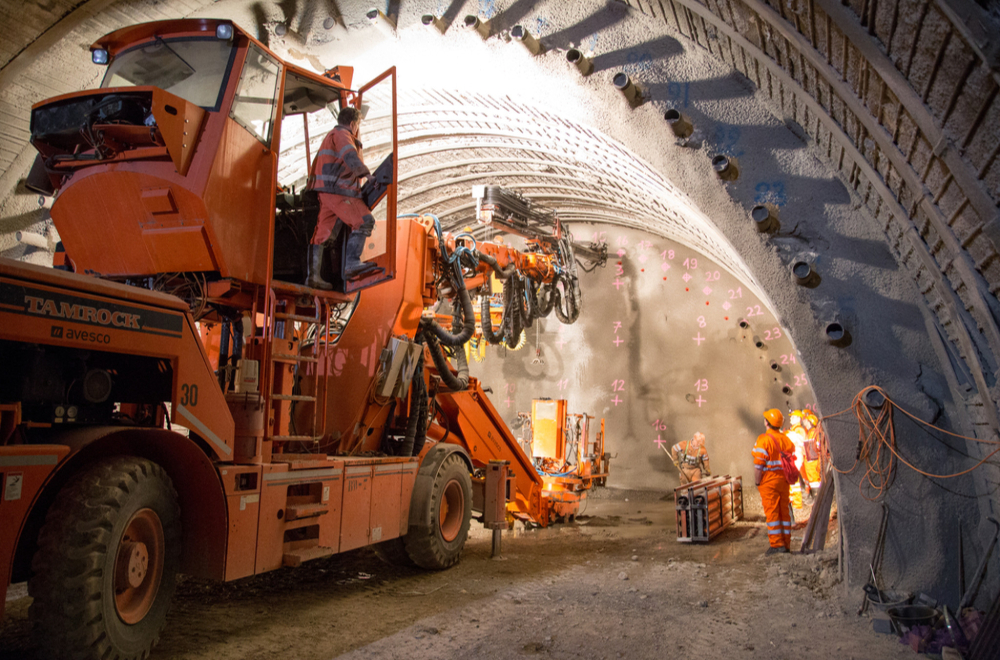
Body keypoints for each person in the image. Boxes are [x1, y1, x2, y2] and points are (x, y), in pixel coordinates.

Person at [304, 106, 379, 290]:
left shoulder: (330, 136)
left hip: (326, 192)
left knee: (322, 234)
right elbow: (350, 155)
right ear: (353, 124)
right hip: (339, 191)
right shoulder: (343, 135)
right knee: (365, 221)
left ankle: (313, 277)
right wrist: (366, 175)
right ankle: (352, 263)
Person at [753, 409, 795, 554]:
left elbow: (758, 465)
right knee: (784, 512)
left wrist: (757, 482)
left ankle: (777, 545)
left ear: (767, 423)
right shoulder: (786, 439)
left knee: (772, 513)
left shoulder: (763, 440)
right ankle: (786, 544)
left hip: (769, 482)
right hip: (784, 481)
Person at [784, 410, 806, 509]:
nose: (790, 419)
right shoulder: (794, 429)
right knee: (792, 482)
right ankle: (794, 502)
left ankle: (797, 504)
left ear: (798, 418)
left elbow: (796, 440)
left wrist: (786, 434)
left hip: (797, 457)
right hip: (794, 457)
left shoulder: (799, 430)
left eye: (792, 417)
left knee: (795, 482)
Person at [801, 412, 822, 497]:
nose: (804, 421)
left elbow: (811, 454)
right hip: (813, 466)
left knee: (816, 488)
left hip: (813, 467)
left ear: (810, 422)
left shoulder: (812, 433)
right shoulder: (812, 432)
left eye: (806, 420)